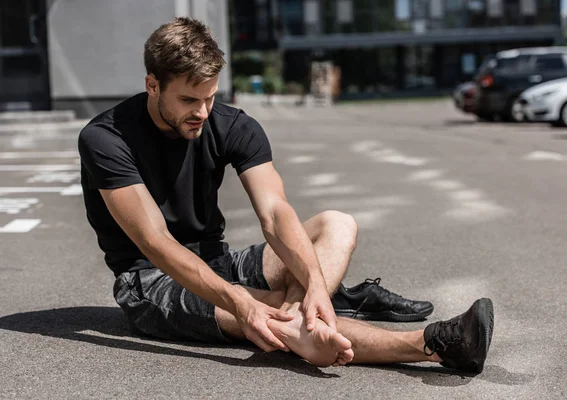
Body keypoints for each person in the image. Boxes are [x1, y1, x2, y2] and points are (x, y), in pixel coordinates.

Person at [78, 17, 494, 372]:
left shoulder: (232, 125)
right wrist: (240, 302)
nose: (202, 112)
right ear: (152, 84)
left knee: (336, 224)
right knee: (271, 305)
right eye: (188, 100)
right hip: (150, 280)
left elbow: (275, 213)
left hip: (218, 260)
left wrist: (313, 284)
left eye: (210, 97)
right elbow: (156, 243)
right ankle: (435, 344)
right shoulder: (106, 138)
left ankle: (313, 314)